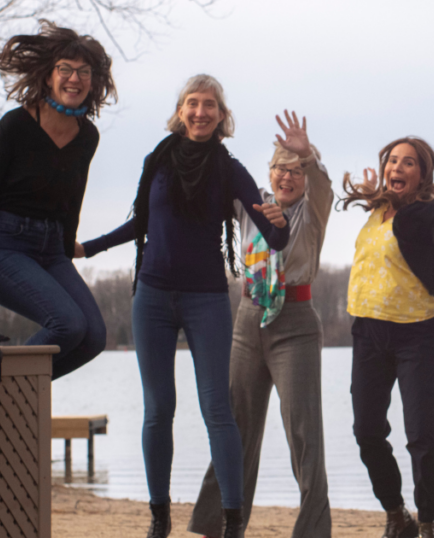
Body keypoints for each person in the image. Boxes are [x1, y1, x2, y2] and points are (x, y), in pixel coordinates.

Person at [78, 74, 289, 538]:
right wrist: (87, 249)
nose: (200, 111)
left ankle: (233, 521)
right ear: (180, 111)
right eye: (193, 103)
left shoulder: (230, 169)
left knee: (218, 409)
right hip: (151, 297)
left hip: (207, 299)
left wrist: (281, 222)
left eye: (209, 104)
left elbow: (270, 235)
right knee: (158, 410)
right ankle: (159, 516)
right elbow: (141, 223)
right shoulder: (159, 159)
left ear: (221, 115)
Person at [188, 111, 334, 538]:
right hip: (248, 320)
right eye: (280, 169)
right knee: (235, 426)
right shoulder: (251, 204)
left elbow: (323, 184)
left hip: (296, 324)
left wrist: (310, 158)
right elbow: (216, 185)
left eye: (296, 170)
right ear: (269, 173)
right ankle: (218, 525)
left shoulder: (314, 211)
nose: (287, 177)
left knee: (304, 432)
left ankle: (312, 531)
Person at [0, 20, 115, 379]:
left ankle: (11, 391)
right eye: (65, 69)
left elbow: (74, 194)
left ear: (93, 81)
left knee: (94, 337)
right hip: (1, 246)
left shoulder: (87, 136)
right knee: (68, 325)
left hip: (51, 249)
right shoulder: (16, 125)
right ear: (47, 76)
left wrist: (67, 244)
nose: (75, 78)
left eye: (84, 71)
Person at [339, 137, 434, 538]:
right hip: (368, 333)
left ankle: (426, 521)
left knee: (421, 436)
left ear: (422, 174)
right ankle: (397, 515)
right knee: (367, 432)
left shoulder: (430, 213)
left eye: (408, 163)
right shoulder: (376, 209)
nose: (398, 167)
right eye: (393, 161)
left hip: (417, 336)